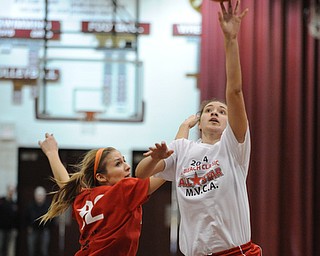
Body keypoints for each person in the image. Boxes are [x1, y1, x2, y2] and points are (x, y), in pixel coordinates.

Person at [135, 0, 262, 255]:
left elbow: (235, 91)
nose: (215, 112)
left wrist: (230, 41)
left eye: (221, 111)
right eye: (209, 110)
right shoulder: (182, 149)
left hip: (234, 252)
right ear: (200, 120)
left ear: (228, 123)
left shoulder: (233, 147)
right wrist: (155, 159)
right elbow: (140, 175)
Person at [37, 133, 169, 256]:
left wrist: (52, 153)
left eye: (124, 160)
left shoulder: (84, 197)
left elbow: (64, 182)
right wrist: (181, 147)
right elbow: (167, 172)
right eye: (118, 164)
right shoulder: (122, 191)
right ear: (101, 177)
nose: (127, 166)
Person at [26, 186, 52, 256]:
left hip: (44, 229)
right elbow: (26, 217)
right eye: (38, 195)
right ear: (35, 196)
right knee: (31, 248)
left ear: (44, 196)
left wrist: (48, 227)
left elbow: (51, 219)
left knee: (44, 249)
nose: (39, 197)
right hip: (33, 229)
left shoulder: (48, 206)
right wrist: (28, 226)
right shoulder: (30, 206)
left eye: (41, 195)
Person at [0, 185, 18, 256]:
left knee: (10, 248)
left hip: (11, 229)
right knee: (1, 247)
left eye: (12, 191)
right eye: (10, 190)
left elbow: (16, 218)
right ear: (7, 191)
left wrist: (15, 228)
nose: (11, 192)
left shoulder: (14, 203)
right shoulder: (1, 201)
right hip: (1, 229)